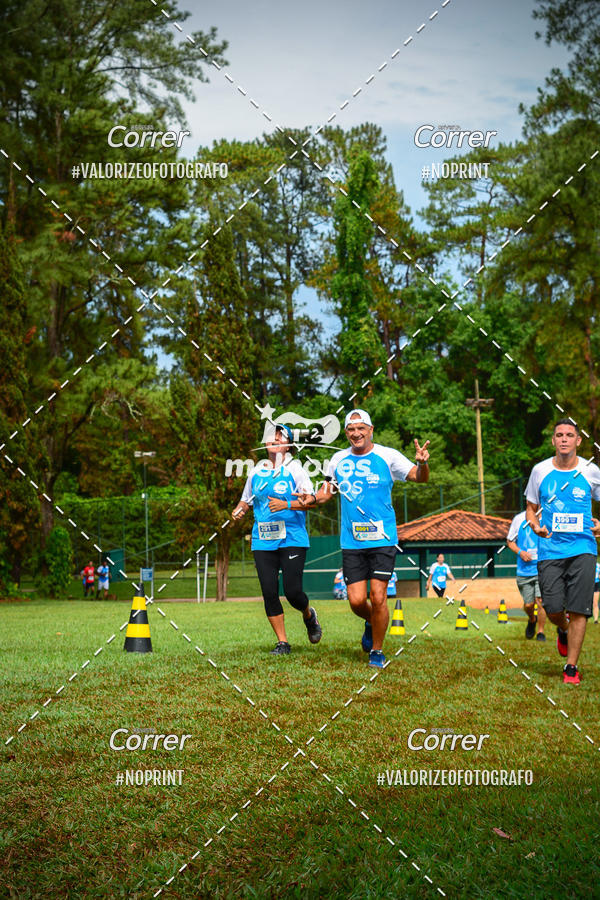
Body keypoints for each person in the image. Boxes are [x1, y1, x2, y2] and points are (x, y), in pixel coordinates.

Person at [298, 409, 430, 668]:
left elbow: (419, 478)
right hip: (352, 542)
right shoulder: (338, 459)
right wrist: (311, 498)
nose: (356, 433)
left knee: (379, 597)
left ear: (371, 430)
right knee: (357, 601)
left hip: (383, 539)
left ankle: (377, 651)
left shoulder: (388, 456)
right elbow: (326, 491)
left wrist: (423, 464)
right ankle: (372, 621)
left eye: (361, 428)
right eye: (351, 429)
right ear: (346, 433)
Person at [232, 423, 322, 655]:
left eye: (281, 436)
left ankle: (308, 615)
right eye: (272, 436)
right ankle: (283, 642)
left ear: (289, 445)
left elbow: (311, 501)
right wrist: (240, 509)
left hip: (292, 538)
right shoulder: (256, 471)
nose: (275, 439)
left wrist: (287, 504)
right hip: (262, 539)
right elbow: (246, 499)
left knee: (292, 592)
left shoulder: (296, 469)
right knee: (269, 591)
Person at [525, 419, 600, 685]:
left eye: (569, 435)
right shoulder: (540, 471)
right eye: (559, 435)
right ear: (553, 440)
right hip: (550, 551)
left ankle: (571, 667)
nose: (564, 439)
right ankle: (564, 629)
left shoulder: (591, 471)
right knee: (554, 608)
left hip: (583, 548)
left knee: (580, 609)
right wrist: (535, 526)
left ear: (578, 440)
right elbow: (531, 508)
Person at [507, 510, 546, 641]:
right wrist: (521, 552)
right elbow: (510, 541)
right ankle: (532, 619)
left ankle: (541, 632)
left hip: (542, 569)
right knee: (528, 605)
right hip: (524, 571)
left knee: (540, 601)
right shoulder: (519, 519)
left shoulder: (548, 516)